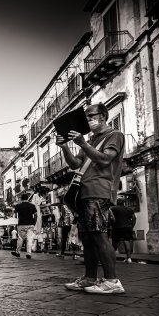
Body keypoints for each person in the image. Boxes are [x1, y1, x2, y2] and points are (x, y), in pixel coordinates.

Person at [57, 103, 125, 294]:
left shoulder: (114, 135)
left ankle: (112, 281)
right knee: (87, 237)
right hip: (85, 192)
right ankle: (89, 278)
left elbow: (105, 160)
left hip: (99, 190)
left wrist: (83, 144)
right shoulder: (92, 139)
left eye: (90, 116)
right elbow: (75, 164)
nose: (87, 120)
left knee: (99, 235)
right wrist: (65, 148)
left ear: (102, 116)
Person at [11, 193, 37, 259]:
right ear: (27, 198)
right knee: (29, 239)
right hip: (31, 224)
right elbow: (36, 215)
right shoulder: (32, 205)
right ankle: (28, 254)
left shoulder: (18, 205)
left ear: (21, 199)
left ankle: (18, 252)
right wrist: (34, 223)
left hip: (21, 224)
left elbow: (14, 212)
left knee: (20, 239)